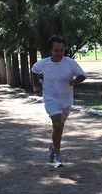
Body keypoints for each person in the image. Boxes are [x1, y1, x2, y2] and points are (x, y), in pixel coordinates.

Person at [31, 36, 86, 168]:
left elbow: (82, 75)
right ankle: (58, 155)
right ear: (50, 50)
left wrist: (75, 81)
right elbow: (34, 71)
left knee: (59, 128)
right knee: (56, 124)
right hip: (50, 98)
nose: (59, 53)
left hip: (66, 100)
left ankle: (53, 146)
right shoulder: (43, 63)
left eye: (62, 50)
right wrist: (36, 86)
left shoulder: (69, 62)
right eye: (56, 50)